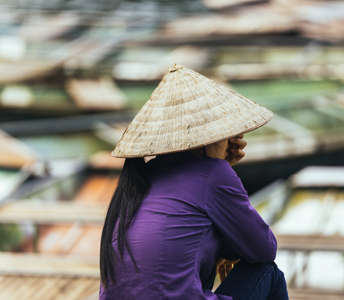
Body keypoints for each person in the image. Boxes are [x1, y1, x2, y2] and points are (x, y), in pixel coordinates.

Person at [99, 65, 289, 300]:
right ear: (205, 140)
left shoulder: (143, 176)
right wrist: (223, 168)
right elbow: (264, 249)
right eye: (226, 133)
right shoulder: (213, 175)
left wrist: (221, 166)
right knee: (268, 273)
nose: (233, 139)